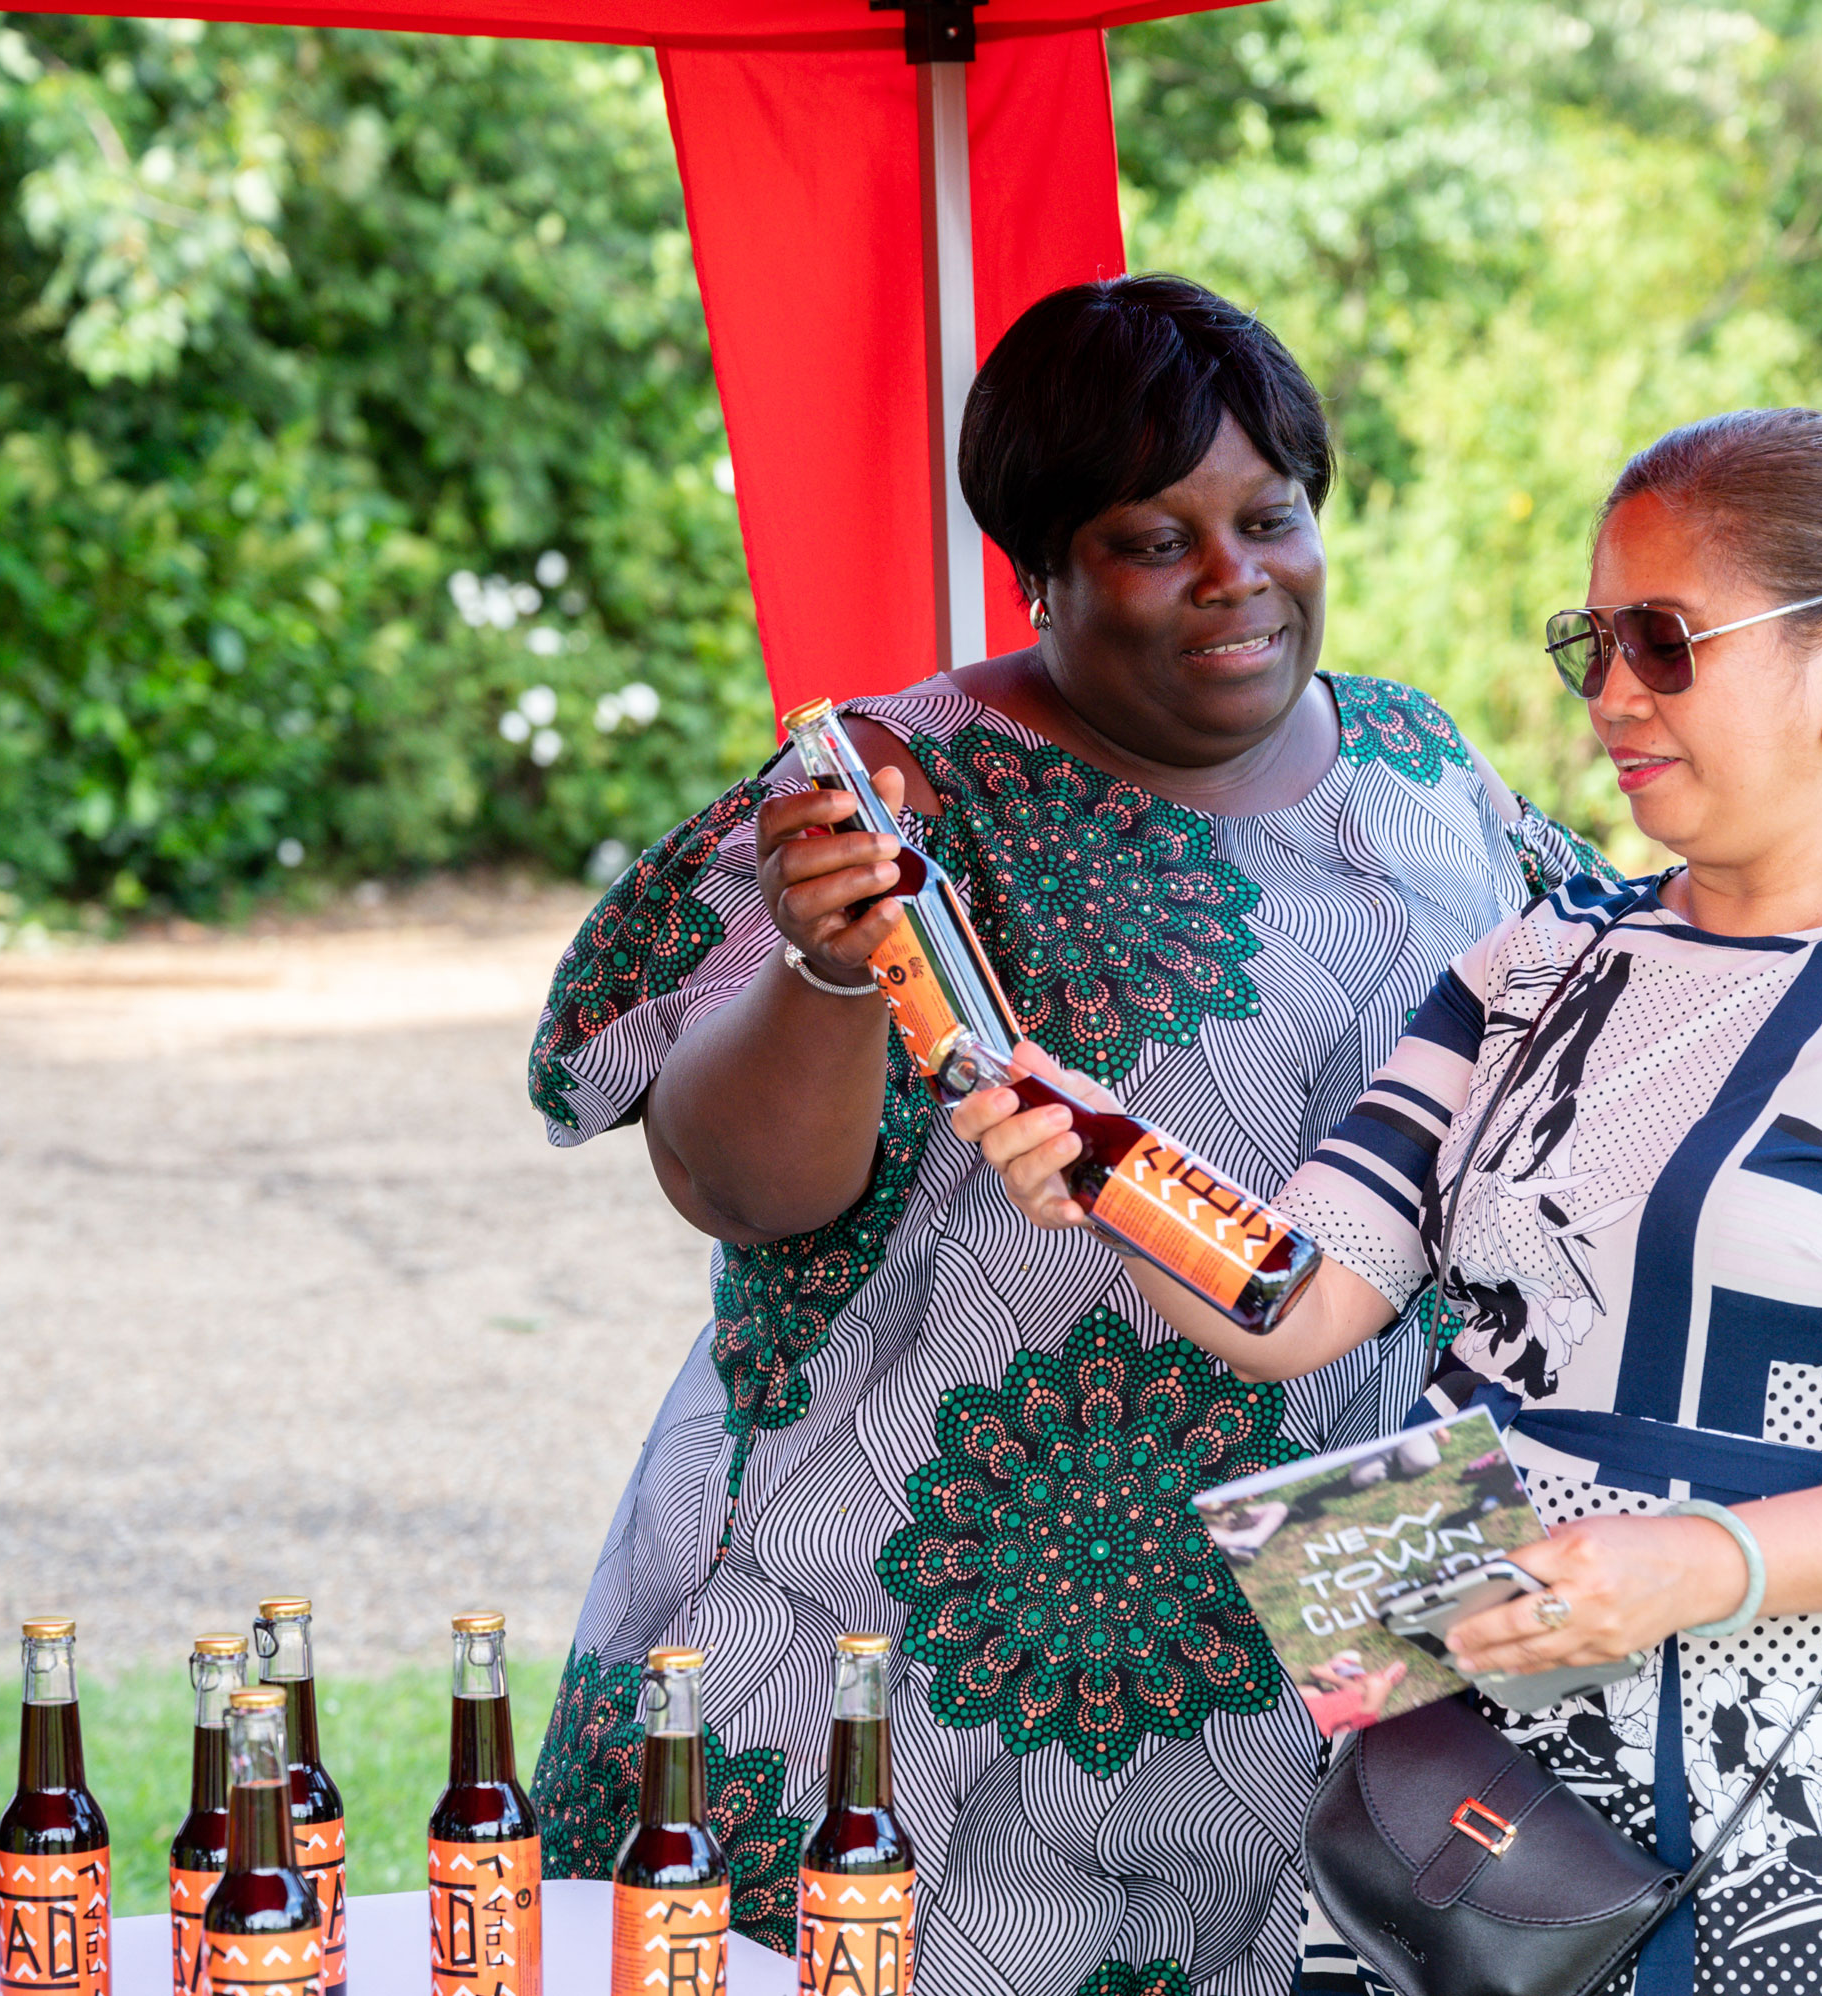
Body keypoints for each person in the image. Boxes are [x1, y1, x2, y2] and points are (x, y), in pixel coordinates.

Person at [957, 408, 1822, 1996]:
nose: (1610, 698)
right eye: (1592, 644)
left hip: (1777, 1816)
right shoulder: (1538, 958)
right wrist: (1110, 1166)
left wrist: (1692, 1560)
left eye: (1663, 643)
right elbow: (1308, 1298)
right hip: (1439, 1793)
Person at [522, 274, 1602, 1994]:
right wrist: (825, 963)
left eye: (1271, 517)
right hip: (911, 1606)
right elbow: (734, 1186)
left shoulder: (1425, 768)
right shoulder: (888, 792)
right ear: (1039, 564)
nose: (1236, 577)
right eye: (1151, 540)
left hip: (1332, 1594)